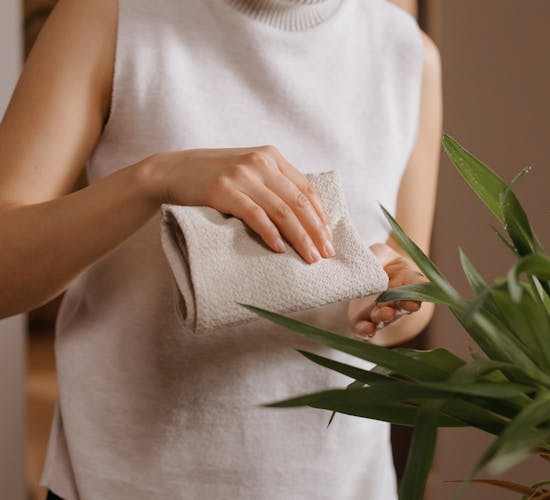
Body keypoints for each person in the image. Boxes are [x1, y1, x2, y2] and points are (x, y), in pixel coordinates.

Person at [0, 0, 441, 498]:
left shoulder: (408, 53)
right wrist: (154, 179)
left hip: (341, 482)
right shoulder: (111, 17)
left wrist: (388, 303)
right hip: (123, 482)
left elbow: (411, 292)